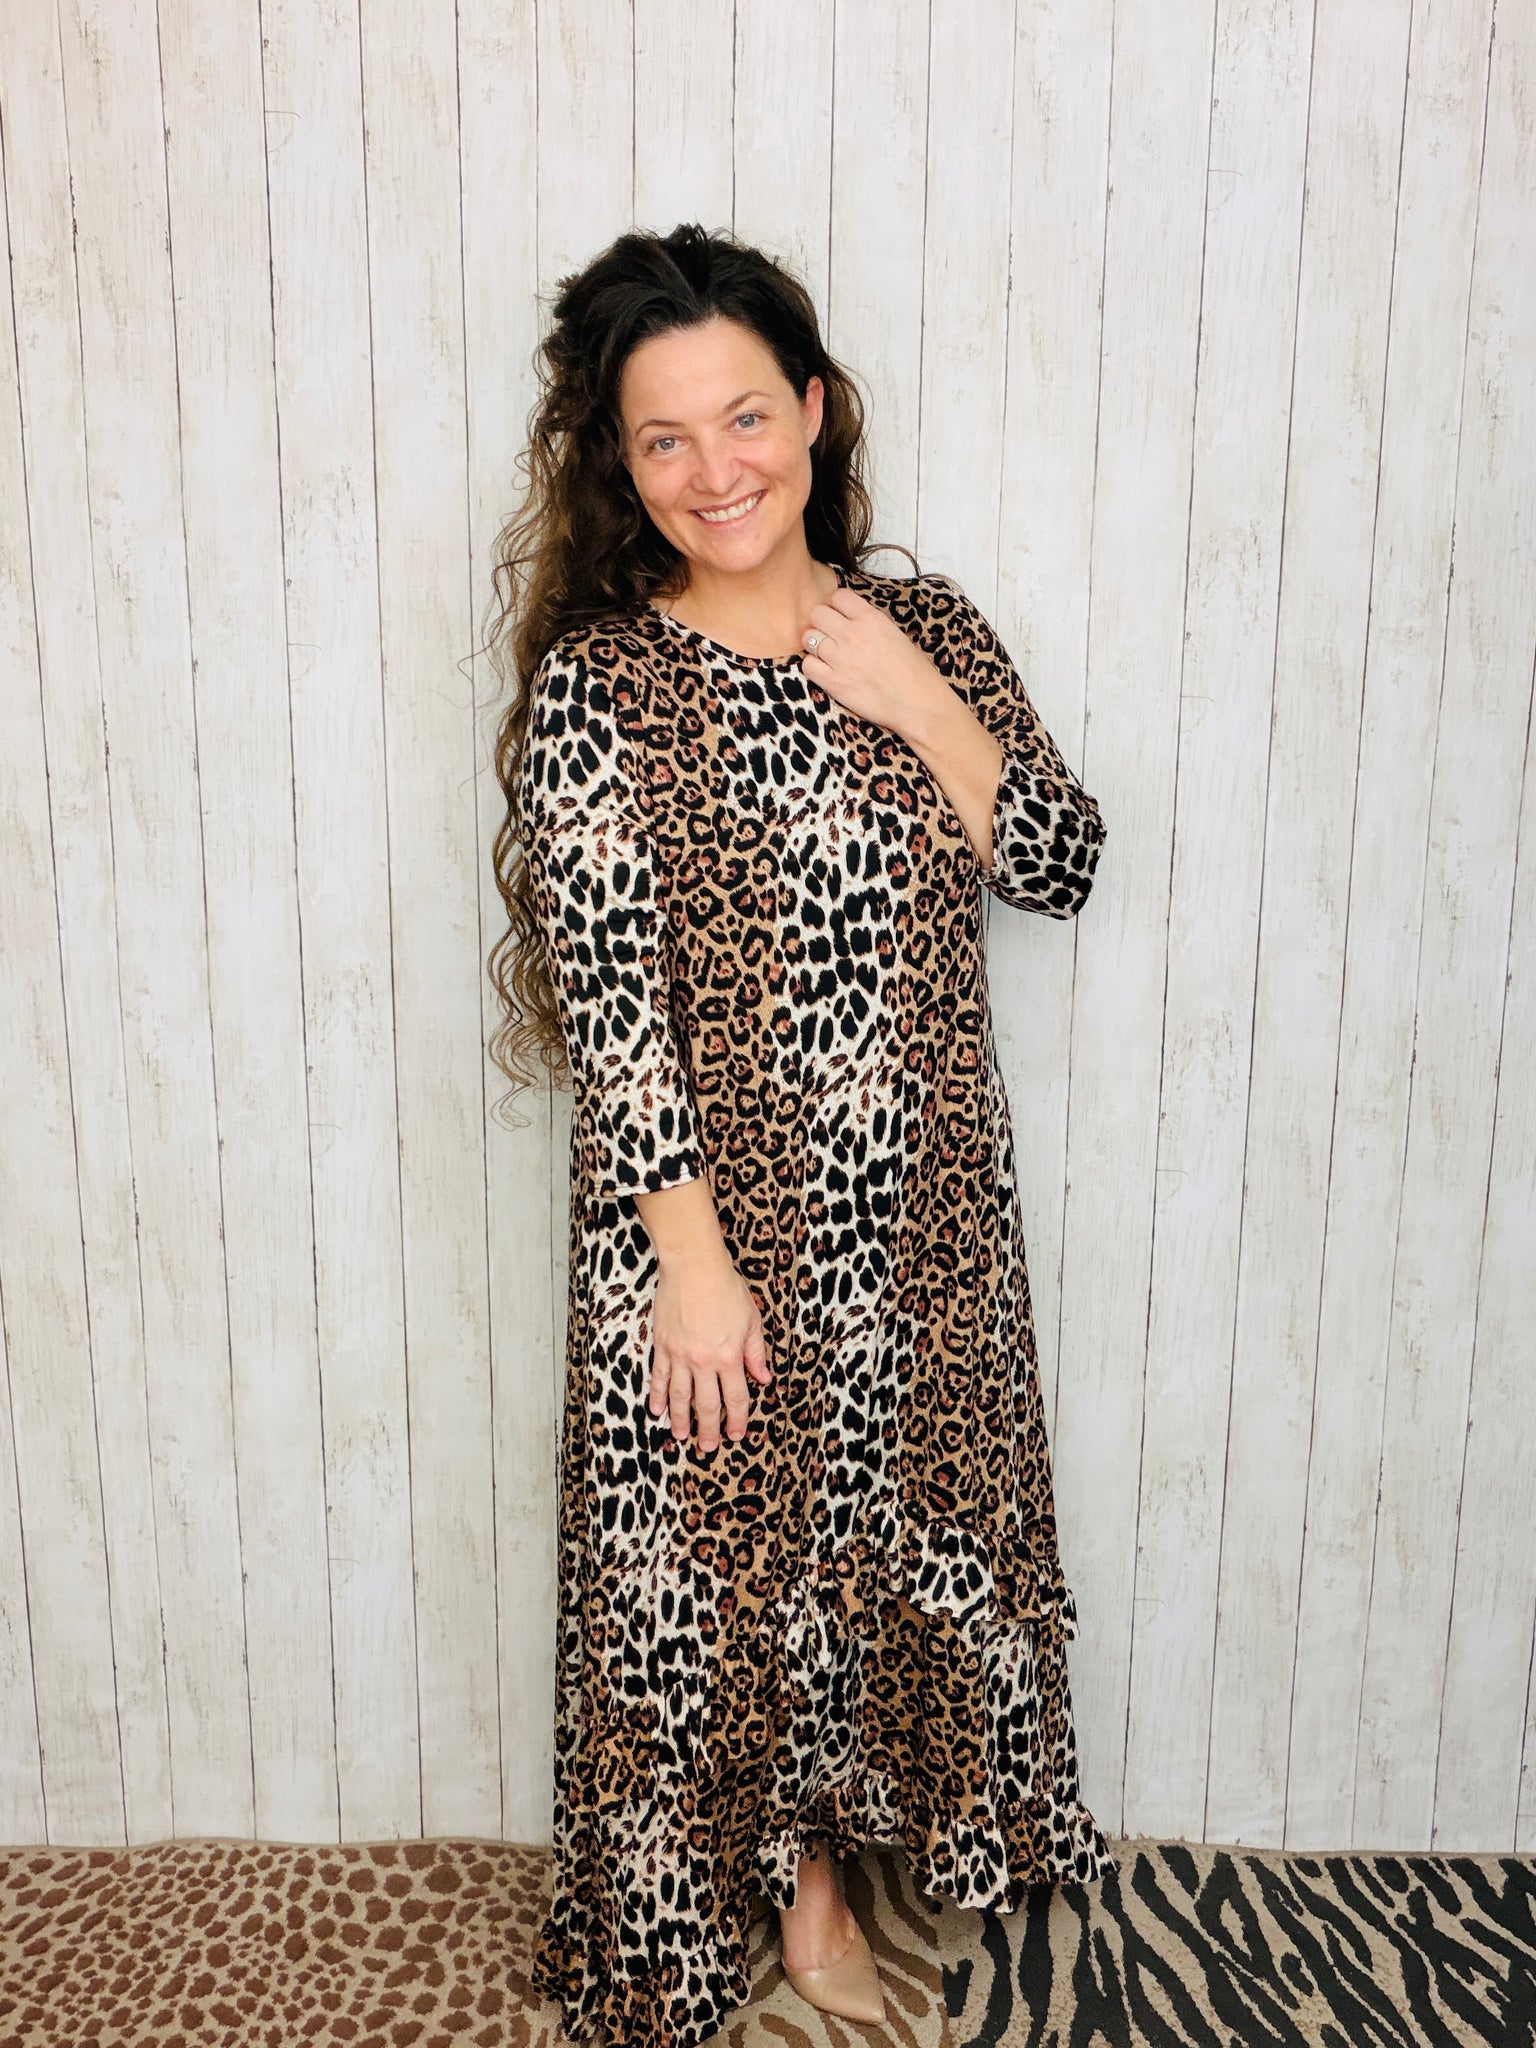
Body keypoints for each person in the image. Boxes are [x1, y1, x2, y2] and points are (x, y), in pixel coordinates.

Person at [485, 222, 1118, 2048]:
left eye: (746, 417)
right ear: (619, 461)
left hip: (925, 1234)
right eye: (663, 437)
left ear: (816, 410)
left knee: (893, 1551)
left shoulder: (929, 630)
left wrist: (916, 701)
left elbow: (1060, 861)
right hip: (712, 1233)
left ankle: (874, 1841)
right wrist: (691, 1266)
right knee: (724, 1580)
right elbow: (617, 1007)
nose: (715, 471)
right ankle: (793, 1889)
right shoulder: (604, 685)